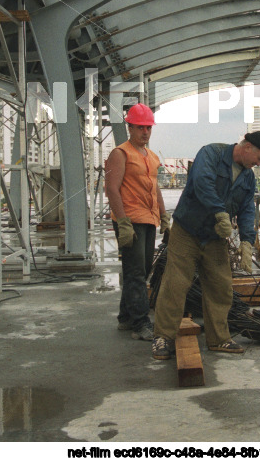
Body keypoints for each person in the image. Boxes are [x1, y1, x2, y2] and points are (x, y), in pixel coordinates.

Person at [151, 131, 260, 360]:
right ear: (247, 147)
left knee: (221, 285)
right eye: (259, 158)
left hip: (215, 237)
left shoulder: (247, 177)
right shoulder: (211, 154)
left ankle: (218, 338)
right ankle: (163, 337)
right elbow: (202, 183)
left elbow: (247, 209)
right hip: (187, 230)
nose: (258, 163)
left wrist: (247, 241)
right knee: (175, 283)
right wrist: (220, 213)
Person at [105, 103, 172, 342]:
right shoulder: (120, 154)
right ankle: (140, 323)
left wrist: (164, 217)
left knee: (142, 269)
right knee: (135, 272)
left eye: (148, 128)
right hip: (130, 219)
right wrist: (122, 221)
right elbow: (111, 188)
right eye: (140, 127)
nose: (145, 132)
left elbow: (155, 188)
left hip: (148, 218)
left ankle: (125, 317)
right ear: (130, 127)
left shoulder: (152, 157)